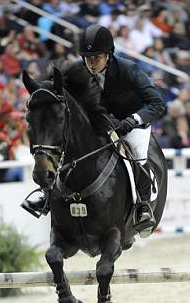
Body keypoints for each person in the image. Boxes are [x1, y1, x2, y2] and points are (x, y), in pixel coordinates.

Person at [22, 24, 166, 235]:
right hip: (98, 123)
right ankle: (47, 196)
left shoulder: (128, 70)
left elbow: (157, 102)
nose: (91, 63)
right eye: (87, 58)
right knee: (67, 151)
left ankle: (142, 207)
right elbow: (54, 88)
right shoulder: (78, 70)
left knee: (138, 156)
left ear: (108, 54)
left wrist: (132, 120)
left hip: (131, 123)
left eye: (96, 58)